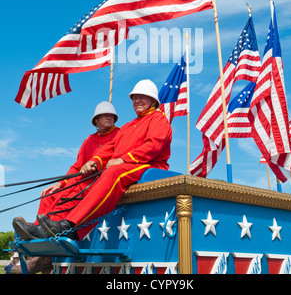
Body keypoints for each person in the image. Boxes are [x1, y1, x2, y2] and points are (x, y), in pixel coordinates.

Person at [13, 80, 172, 243]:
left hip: (148, 166)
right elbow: (110, 148)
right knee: (81, 184)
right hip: (126, 166)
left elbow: (153, 146)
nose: (137, 100)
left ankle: (70, 226)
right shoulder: (128, 126)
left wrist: (123, 159)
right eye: (134, 97)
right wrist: (94, 161)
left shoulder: (158, 119)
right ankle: (46, 228)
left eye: (143, 97)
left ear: (153, 101)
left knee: (113, 173)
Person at [12, 101, 119, 273]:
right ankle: (38, 234)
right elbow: (76, 166)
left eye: (111, 115)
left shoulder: (119, 134)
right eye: (104, 115)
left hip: (98, 180)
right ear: (96, 120)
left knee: (71, 195)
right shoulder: (88, 140)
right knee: (49, 194)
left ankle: (43, 250)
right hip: (80, 179)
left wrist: (94, 163)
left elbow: (111, 154)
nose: (109, 118)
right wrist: (60, 183)